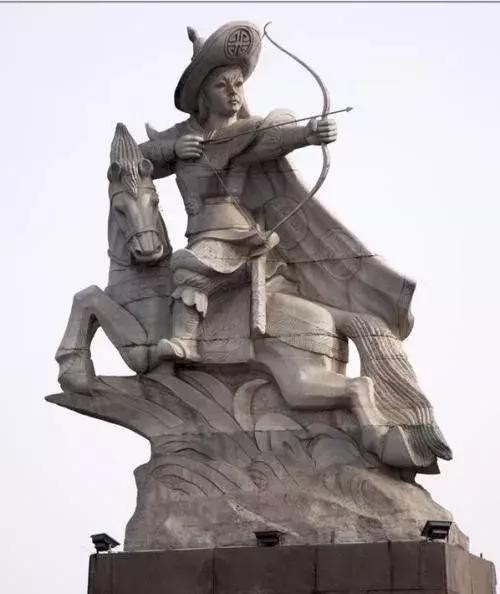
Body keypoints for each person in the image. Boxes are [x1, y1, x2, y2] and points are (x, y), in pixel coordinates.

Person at [140, 20, 414, 361]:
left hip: (232, 238)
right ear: (202, 96)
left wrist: (308, 134)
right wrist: (173, 149)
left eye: (238, 84)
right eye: (222, 85)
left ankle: (185, 341)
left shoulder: (247, 131)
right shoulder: (182, 133)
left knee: (186, 267)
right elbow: (134, 158)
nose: (233, 92)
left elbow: (273, 138)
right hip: (200, 234)